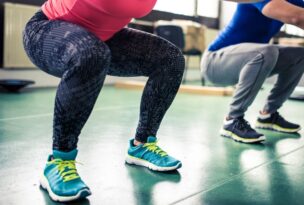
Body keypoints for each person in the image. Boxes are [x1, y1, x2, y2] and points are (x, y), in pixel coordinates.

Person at [23, 0, 184, 202]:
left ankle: (141, 145)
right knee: (91, 53)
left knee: (170, 58)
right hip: (46, 30)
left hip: (104, 37)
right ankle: (59, 161)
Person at [201, 0, 304, 143]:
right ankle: (232, 120)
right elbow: (296, 17)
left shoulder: (291, 0)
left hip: (245, 60)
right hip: (214, 62)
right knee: (267, 51)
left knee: (299, 55)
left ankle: (268, 115)